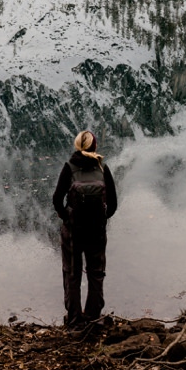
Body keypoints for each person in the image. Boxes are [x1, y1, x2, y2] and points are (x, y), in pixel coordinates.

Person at [52, 128, 117, 328]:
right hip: (96, 230)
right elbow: (113, 204)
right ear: (95, 146)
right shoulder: (102, 168)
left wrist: (67, 217)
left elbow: (56, 199)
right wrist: (101, 219)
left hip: (73, 231)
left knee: (72, 273)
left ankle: (74, 320)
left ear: (77, 146)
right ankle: (93, 317)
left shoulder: (69, 167)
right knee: (96, 273)